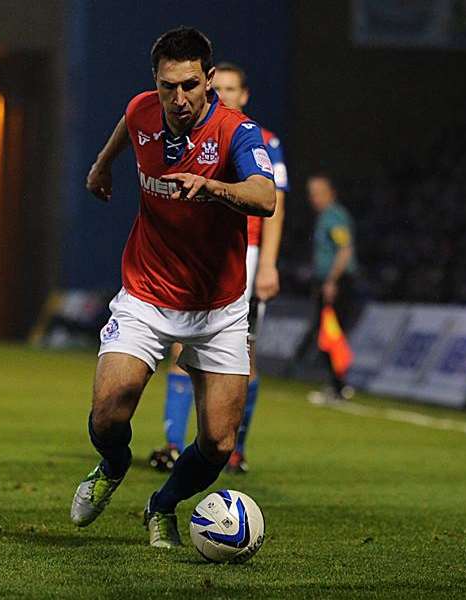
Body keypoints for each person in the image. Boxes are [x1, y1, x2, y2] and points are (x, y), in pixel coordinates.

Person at [70, 27, 275, 548]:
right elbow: (128, 123)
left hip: (219, 307)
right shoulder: (144, 109)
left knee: (218, 440)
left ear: (209, 79)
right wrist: (100, 165)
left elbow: (264, 195)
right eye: (167, 87)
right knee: (109, 409)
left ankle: (162, 505)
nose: (178, 99)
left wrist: (214, 187)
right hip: (146, 295)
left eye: (189, 85)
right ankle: (113, 466)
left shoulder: (237, 132)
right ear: (155, 83)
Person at [147, 62, 288, 475]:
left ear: (245, 95)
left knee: (243, 353)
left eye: (232, 89)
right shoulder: (192, 134)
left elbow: (275, 208)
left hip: (243, 255)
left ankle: (236, 449)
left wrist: (268, 266)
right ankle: (173, 445)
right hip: (196, 254)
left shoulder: (261, 140)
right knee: (179, 346)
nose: (223, 95)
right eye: (218, 87)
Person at [305, 173, 357, 404]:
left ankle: (340, 386)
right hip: (328, 282)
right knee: (327, 335)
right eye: (312, 194)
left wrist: (331, 281)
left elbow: (344, 250)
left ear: (331, 193)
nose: (314, 198)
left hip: (335, 283)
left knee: (331, 335)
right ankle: (337, 384)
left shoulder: (335, 216)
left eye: (318, 193)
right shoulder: (325, 216)